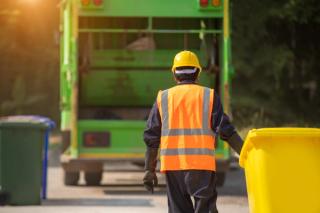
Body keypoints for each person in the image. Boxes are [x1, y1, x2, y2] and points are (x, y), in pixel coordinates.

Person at [143, 50, 244, 213]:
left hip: (173, 167)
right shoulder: (208, 96)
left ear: (175, 74)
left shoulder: (163, 97)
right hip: (201, 166)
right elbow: (226, 130)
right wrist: (245, 153)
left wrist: (149, 170)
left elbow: (151, 136)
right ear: (197, 73)